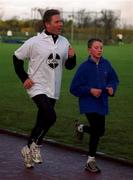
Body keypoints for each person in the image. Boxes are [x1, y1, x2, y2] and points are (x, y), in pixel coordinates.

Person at [13, 9, 76, 168]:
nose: (60, 24)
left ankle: (27, 150)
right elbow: (17, 57)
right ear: (47, 24)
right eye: (57, 21)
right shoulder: (34, 41)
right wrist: (24, 78)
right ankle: (36, 146)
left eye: (61, 21)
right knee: (51, 116)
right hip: (37, 86)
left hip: (53, 87)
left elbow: (69, 66)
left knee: (42, 121)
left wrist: (72, 57)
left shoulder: (64, 42)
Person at [70, 38, 119, 173]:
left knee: (100, 131)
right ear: (89, 50)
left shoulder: (106, 64)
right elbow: (73, 88)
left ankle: (81, 127)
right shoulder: (84, 67)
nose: (99, 50)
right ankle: (90, 161)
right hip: (88, 103)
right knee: (97, 129)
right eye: (96, 47)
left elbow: (114, 80)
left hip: (102, 103)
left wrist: (111, 88)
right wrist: (90, 90)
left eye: (101, 48)